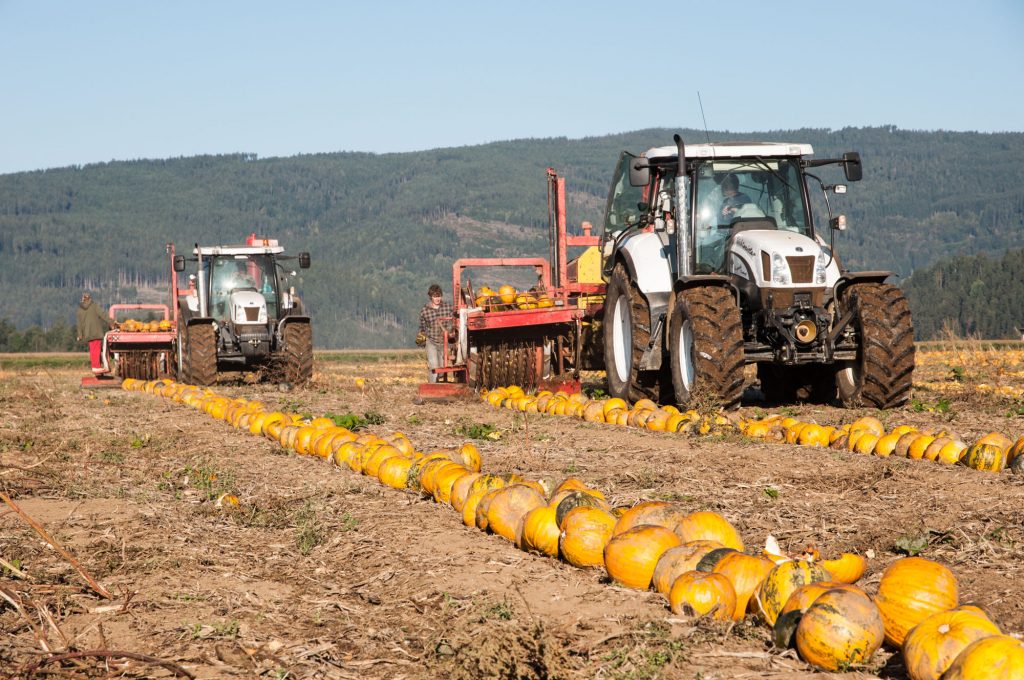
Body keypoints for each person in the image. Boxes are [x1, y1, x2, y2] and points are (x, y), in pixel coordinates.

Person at [417, 284, 454, 383]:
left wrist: (451, 333)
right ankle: (432, 386)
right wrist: (420, 341)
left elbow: (454, 321)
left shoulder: (447, 307)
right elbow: (422, 327)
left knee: (442, 369)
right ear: (430, 297)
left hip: (443, 343)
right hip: (431, 342)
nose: (437, 298)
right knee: (433, 367)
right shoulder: (425, 310)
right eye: (435, 296)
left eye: (439, 296)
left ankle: (439, 384)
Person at [76, 291, 116, 376]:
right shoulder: (94, 306)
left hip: (87, 333)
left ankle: (95, 366)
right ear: (89, 298)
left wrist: (80, 335)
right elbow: (103, 315)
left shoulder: (80, 309)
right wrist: (113, 322)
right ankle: (96, 367)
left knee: (92, 350)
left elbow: (79, 324)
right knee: (97, 350)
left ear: (83, 299)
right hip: (96, 331)